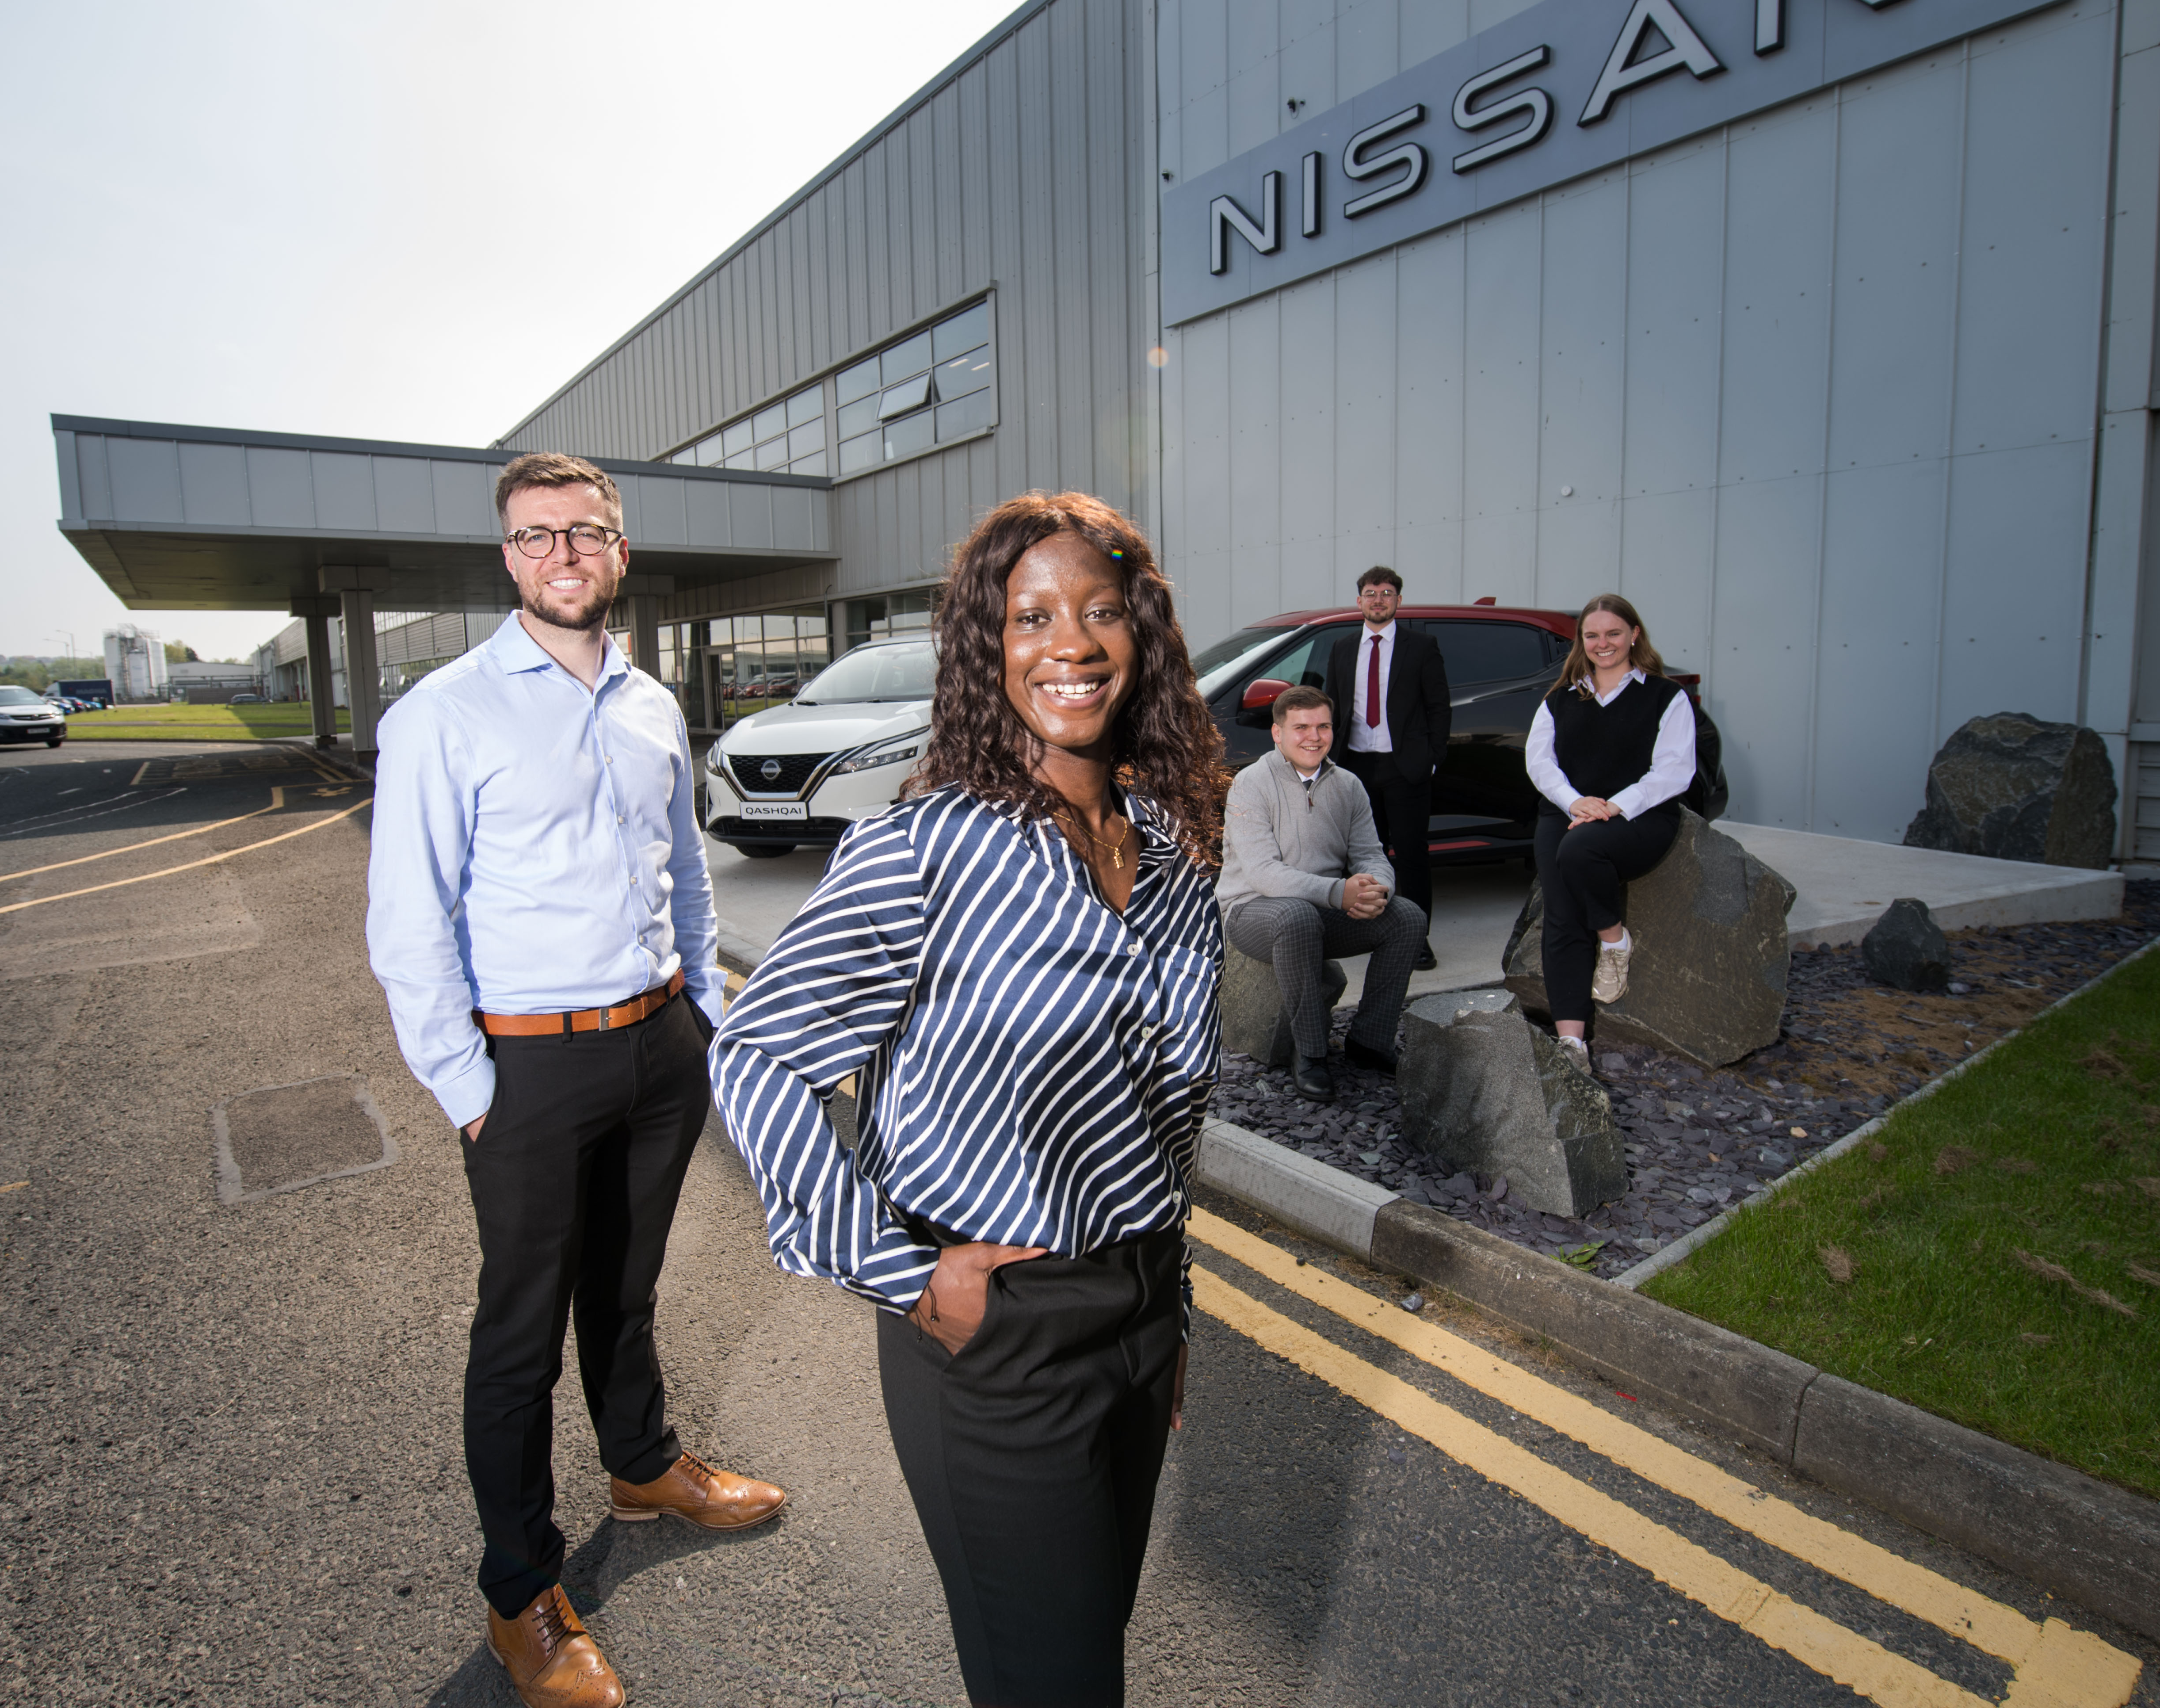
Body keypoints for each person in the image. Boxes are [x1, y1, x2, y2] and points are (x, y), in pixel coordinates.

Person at [711, 492, 1228, 1708]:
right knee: (1048, 1684)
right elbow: (756, 1054)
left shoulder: (1169, 852)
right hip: (995, 1329)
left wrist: (1173, 1309)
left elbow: (1163, 1115)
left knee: (1088, 1657)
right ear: (986, 651)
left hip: (1140, 1311)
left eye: (1102, 612)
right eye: (1032, 615)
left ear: (1142, 636)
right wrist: (900, 1275)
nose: (1074, 643)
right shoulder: (928, 849)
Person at [366, 451, 784, 1708]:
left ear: (617, 548)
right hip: (527, 1066)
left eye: (585, 533)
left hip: (659, 1047)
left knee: (627, 1286)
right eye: (537, 536)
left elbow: (687, 869)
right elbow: (408, 920)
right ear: (509, 558)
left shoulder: (653, 706)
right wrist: (468, 1084)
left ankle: (643, 1464)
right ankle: (521, 1595)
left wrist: (702, 1007)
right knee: (519, 1337)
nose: (563, 555)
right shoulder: (445, 713)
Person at [1220, 683, 1427, 1098]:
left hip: (1320, 911)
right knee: (1296, 915)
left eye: (1323, 726)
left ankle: (1370, 1040)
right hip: (1253, 912)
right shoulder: (1250, 784)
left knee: (1407, 918)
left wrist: (1376, 889)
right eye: (1301, 728)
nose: (1314, 737)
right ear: (1278, 733)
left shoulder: (1348, 785)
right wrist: (1340, 893)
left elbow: (1370, 854)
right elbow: (1263, 874)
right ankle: (1311, 1054)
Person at [1521, 593, 1698, 1070]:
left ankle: (1615, 941)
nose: (1604, 644)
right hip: (1567, 811)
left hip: (1641, 817)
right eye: (1593, 635)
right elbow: (1540, 763)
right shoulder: (1560, 698)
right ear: (1581, 641)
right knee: (1561, 914)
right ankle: (1572, 1041)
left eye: (1614, 634)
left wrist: (1614, 807)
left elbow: (1675, 772)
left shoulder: (1666, 696)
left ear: (1634, 635)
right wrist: (1576, 802)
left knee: (1579, 851)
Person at [1325, 566, 1446, 968]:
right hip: (1356, 767)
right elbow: (1333, 707)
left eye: (1388, 593)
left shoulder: (1422, 646)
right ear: (1359, 601)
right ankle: (1372, 930)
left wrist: (1432, 759)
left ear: (1398, 601)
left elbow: (1438, 708)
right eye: (1372, 593)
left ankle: (1417, 938)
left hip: (1405, 767)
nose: (1379, 600)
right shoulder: (1342, 647)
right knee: (1363, 856)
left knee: (1411, 854)